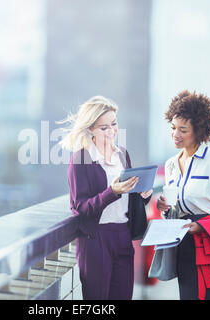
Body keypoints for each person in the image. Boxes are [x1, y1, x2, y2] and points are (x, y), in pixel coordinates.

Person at [59, 95, 153, 300]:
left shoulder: (122, 154)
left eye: (114, 124)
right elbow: (80, 208)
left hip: (123, 235)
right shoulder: (80, 160)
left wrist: (143, 194)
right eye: (104, 128)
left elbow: (127, 198)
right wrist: (113, 192)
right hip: (95, 240)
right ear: (90, 129)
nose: (111, 131)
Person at [156, 90, 210, 300]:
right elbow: (175, 205)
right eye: (173, 128)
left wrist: (204, 226)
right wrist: (165, 209)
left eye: (183, 130)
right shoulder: (170, 165)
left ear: (198, 131)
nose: (175, 134)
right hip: (184, 241)